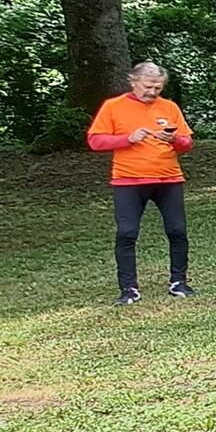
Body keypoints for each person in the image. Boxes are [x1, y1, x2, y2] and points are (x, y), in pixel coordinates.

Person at [86, 62, 196, 305]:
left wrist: (175, 140)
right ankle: (129, 289)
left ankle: (179, 281)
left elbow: (187, 144)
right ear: (133, 81)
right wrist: (127, 139)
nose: (153, 91)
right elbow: (95, 141)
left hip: (168, 178)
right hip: (128, 180)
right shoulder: (113, 106)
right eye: (148, 86)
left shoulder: (169, 107)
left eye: (158, 87)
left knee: (177, 231)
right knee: (127, 233)